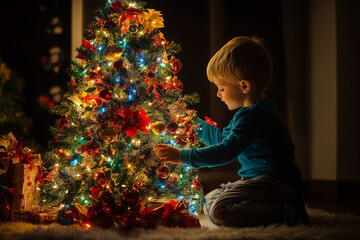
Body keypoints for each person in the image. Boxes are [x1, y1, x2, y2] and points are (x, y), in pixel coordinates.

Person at [154, 36, 309, 227]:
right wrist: (195, 124)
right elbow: (222, 140)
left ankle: (283, 211)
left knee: (220, 211)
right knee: (209, 201)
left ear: (244, 86)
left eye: (221, 88)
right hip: (258, 181)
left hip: (274, 183)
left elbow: (226, 151)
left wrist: (182, 156)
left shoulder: (254, 115)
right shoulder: (249, 113)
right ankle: (271, 205)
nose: (219, 94)